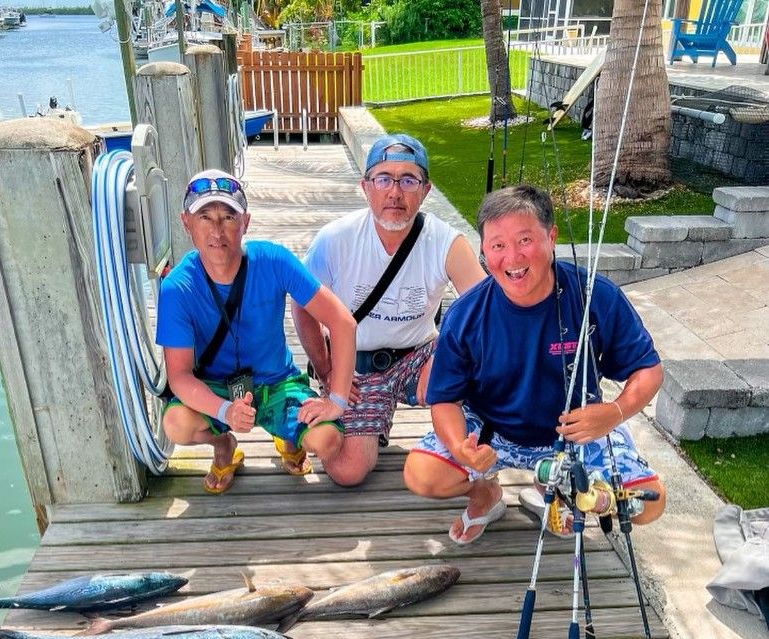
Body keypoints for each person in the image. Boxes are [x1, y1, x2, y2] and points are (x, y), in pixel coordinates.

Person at [403, 184, 667, 545]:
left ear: (552, 236)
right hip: (491, 430)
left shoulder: (596, 294)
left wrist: (615, 412)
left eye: (525, 240)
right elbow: (445, 399)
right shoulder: (464, 314)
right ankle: (486, 495)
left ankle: (558, 489)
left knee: (650, 502)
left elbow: (648, 369)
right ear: (483, 250)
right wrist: (461, 446)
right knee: (423, 474)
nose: (512, 258)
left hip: (576, 430)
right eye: (497, 245)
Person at [291, 133, 485, 487]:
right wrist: (327, 369)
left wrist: (456, 363)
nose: (395, 192)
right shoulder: (335, 239)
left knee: (473, 376)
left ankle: (472, 452)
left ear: (425, 191)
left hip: (420, 354)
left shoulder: (448, 242)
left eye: (408, 180)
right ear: (365, 187)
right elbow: (301, 306)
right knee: (348, 472)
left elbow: (485, 311)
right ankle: (365, 420)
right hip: (358, 364)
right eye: (384, 179)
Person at [156, 170, 356, 494]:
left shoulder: (274, 260)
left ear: (245, 222)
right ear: (186, 223)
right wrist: (225, 411)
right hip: (216, 388)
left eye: (228, 217)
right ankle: (224, 446)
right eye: (204, 217)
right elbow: (179, 375)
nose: (217, 230)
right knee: (176, 425)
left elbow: (343, 322)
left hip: (277, 382)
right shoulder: (177, 287)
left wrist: (337, 400)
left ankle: (288, 436)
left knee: (328, 439)